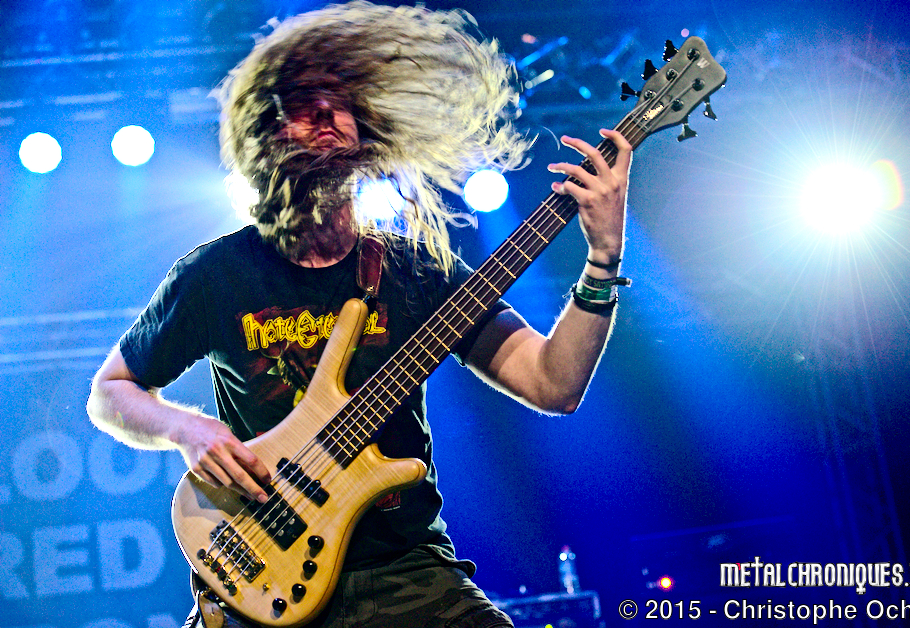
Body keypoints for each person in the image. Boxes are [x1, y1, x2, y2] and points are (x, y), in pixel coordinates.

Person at [86, 2, 632, 627]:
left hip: (406, 573)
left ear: (367, 125)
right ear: (265, 129)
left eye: (340, 100)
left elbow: (553, 384)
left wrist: (603, 257)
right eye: (303, 101)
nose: (325, 113)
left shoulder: (414, 268)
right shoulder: (216, 274)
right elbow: (110, 392)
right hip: (263, 564)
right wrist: (189, 431)